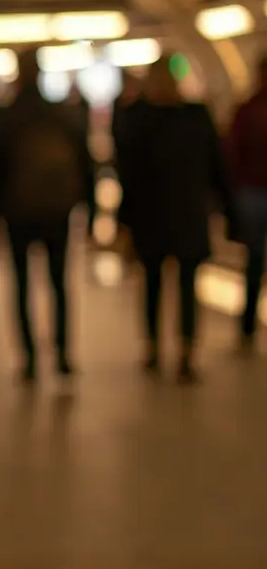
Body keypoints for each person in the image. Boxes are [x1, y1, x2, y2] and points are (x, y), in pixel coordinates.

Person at [119, 54, 237, 382]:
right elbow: (218, 170)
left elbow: (130, 177)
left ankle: (160, 348)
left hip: (158, 218)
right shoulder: (194, 118)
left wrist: (124, 223)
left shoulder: (141, 120)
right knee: (180, 286)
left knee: (160, 285)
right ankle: (179, 350)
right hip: (184, 217)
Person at [0, 49, 97, 382]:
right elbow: (85, 163)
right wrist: (88, 210)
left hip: (17, 212)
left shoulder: (7, 117)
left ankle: (29, 357)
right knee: (59, 284)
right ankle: (63, 353)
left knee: (21, 286)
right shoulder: (61, 114)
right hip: (58, 212)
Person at [226, 54, 267, 352]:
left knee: (254, 259)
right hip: (252, 191)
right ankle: (247, 325)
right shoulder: (248, 109)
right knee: (254, 258)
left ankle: (248, 325)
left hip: (251, 190)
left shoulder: (248, 109)